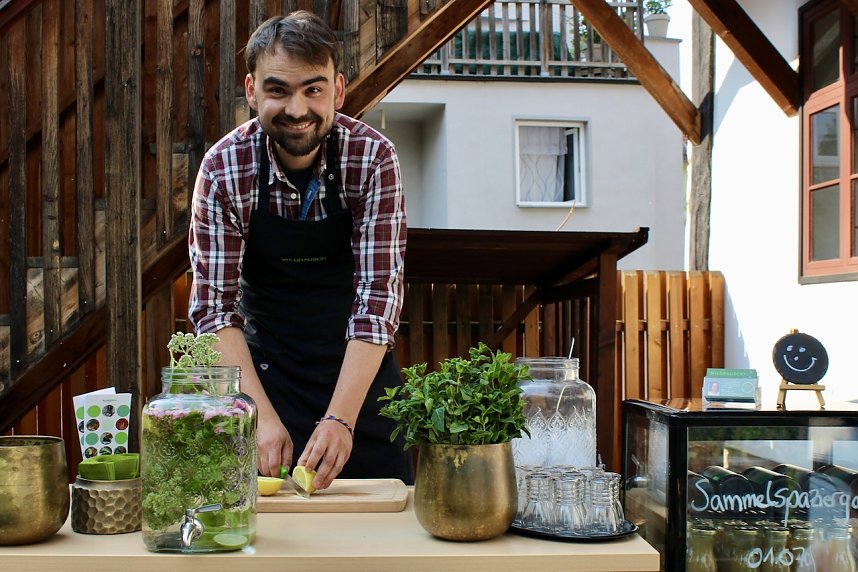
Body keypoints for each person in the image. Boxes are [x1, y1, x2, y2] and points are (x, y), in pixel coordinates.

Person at [188, 11, 411, 490]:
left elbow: (377, 303)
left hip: (360, 387)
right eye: (278, 91)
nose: (296, 108)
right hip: (264, 382)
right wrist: (259, 417)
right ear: (252, 91)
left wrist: (341, 419)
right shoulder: (223, 169)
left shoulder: (373, 159)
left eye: (313, 89)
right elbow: (213, 311)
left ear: (339, 89)